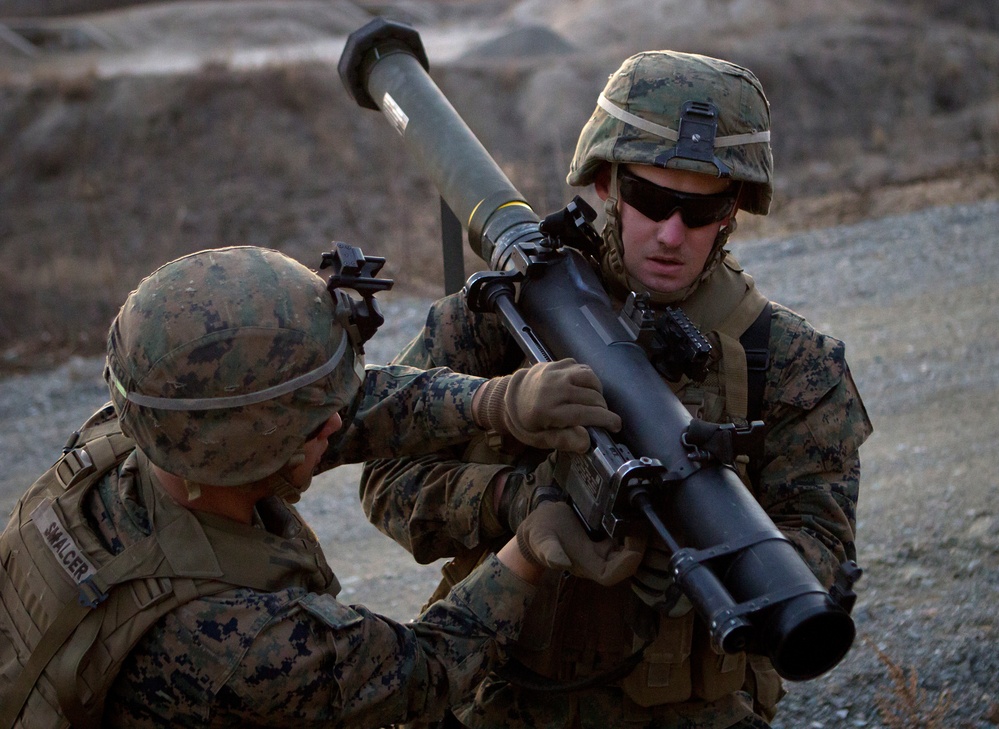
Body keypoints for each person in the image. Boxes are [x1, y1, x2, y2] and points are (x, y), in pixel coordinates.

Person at [359, 50, 873, 728]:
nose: (669, 234)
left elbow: (821, 538)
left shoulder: (788, 360)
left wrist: (693, 559)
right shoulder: (502, 313)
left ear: (733, 212)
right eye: (651, 200)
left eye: (699, 211)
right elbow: (388, 479)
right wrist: (522, 502)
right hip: (504, 701)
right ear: (605, 182)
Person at [0, 245, 642, 728]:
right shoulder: (243, 643)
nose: (338, 425)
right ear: (247, 453)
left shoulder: (139, 430)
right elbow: (424, 673)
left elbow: (340, 411)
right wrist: (526, 551)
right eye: (313, 423)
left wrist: (494, 402)